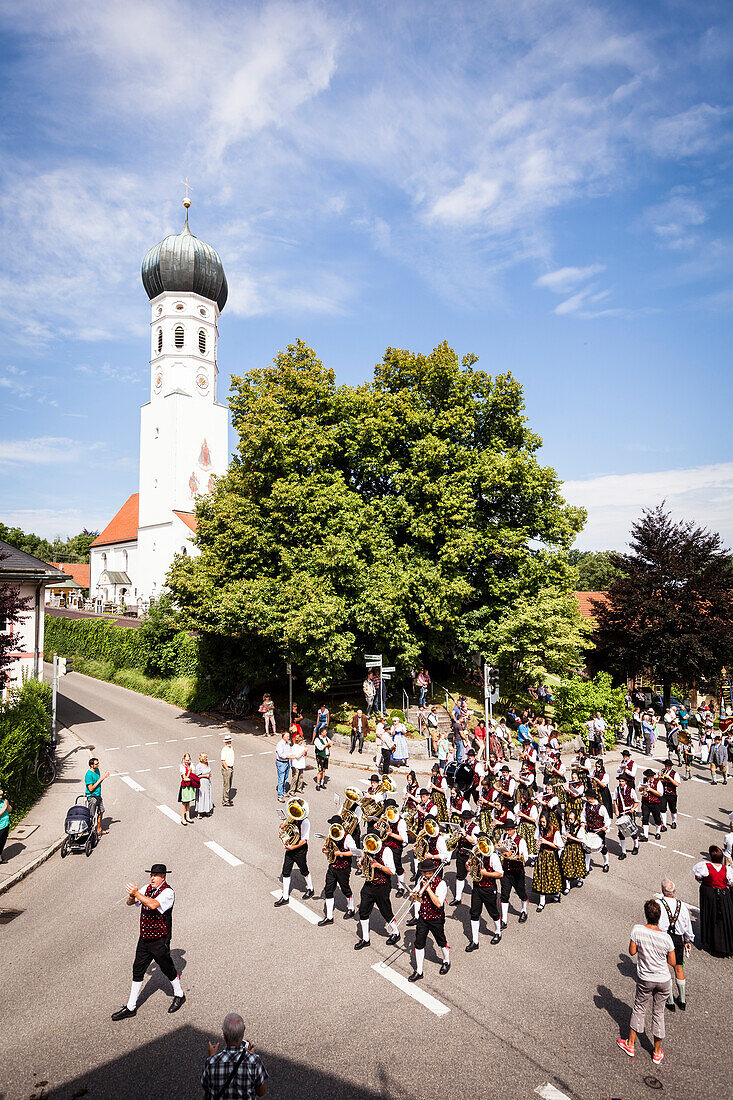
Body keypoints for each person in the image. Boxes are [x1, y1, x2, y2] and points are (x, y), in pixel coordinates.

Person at [111, 863, 185, 1020]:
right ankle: (131, 1006)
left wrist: (137, 894)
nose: (152, 878)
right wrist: (132, 895)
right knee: (137, 968)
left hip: (160, 938)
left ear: (163, 877)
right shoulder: (146, 889)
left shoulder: (168, 892)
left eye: (156, 875)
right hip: (144, 937)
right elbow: (130, 903)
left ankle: (179, 994)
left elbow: (152, 905)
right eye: (151, 875)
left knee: (167, 968)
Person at [617, 899, 675, 1065]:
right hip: (663, 979)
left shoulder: (637, 930)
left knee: (639, 1007)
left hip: (645, 977)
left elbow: (632, 951)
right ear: (659, 917)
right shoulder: (666, 938)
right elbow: (672, 961)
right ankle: (656, 1052)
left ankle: (630, 1044)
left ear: (646, 915)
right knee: (658, 1013)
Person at [201, 1013, 268, 1099]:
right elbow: (261, 1092)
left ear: (224, 1035)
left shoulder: (211, 1062)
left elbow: (206, 1087)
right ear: (244, 1029)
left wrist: (212, 1056)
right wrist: (252, 1055)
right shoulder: (254, 1061)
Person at [354, 835, 400, 950]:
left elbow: (392, 871)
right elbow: (363, 867)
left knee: (386, 911)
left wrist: (378, 865)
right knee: (363, 911)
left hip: (382, 885)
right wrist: (360, 865)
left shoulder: (386, 851)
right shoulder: (366, 850)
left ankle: (396, 932)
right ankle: (365, 939)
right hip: (369, 884)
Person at [409, 859, 450, 981]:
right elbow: (418, 897)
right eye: (424, 873)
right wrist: (414, 895)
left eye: (428, 873)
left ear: (433, 872)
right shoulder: (421, 880)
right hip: (423, 917)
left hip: (436, 918)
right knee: (419, 942)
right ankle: (419, 970)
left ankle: (446, 960)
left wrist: (428, 889)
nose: (426, 875)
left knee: (441, 941)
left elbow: (438, 903)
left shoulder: (441, 884)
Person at [656, 878, 693, 1012]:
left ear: (662, 890)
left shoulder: (657, 903)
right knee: (679, 967)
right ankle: (682, 999)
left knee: (665, 967)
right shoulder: (681, 905)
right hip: (677, 939)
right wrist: (687, 940)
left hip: (663, 937)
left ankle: (670, 999)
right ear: (674, 891)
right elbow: (687, 925)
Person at [465, 832, 504, 950]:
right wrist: (468, 866)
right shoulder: (476, 852)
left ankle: (498, 932)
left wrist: (485, 873)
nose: (479, 844)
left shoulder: (493, 856)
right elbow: (470, 870)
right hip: (477, 887)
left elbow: (500, 874)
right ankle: (475, 941)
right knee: (474, 913)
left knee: (493, 912)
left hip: (489, 888)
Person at [693, 845, 733, 956]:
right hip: (723, 895)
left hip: (709, 894)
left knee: (711, 916)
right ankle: (725, 944)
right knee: (724, 917)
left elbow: (698, 877)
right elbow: (731, 883)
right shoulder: (727, 870)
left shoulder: (705, 866)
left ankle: (712, 942)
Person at [274, 802, 314, 905]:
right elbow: (284, 825)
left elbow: (304, 840)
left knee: (303, 869)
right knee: (286, 871)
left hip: (299, 849)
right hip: (290, 847)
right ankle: (285, 897)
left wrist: (293, 847)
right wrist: (281, 829)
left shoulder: (305, 822)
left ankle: (310, 888)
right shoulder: (292, 817)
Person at [319, 815, 357, 925]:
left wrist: (341, 853)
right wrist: (325, 850)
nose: (332, 827)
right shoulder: (331, 834)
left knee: (345, 888)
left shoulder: (347, 837)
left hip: (343, 868)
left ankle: (351, 908)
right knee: (328, 890)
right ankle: (329, 916)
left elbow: (354, 852)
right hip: (332, 866)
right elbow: (329, 847)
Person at [498, 820, 529, 927]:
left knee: (521, 893)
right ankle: (504, 920)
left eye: (509, 830)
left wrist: (511, 854)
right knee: (504, 895)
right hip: (506, 870)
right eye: (506, 830)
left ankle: (524, 910)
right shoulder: (503, 837)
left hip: (517, 871)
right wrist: (500, 848)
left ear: (514, 829)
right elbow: (500, 851)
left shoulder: (520, 841)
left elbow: (525, 857)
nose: (507, 832)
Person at [85, 756, 110, 837]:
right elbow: (91, 788)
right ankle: (90, 833)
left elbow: (98, 782)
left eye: (98, 763)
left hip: (98, 796)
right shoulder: (88, 775)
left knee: (101, 811)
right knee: (91, 815)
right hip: (92, 797)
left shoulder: (97, 770)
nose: (98, 765)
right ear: (91, 765)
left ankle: (99, 830)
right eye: (96, 764)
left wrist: (103, 777)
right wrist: (101, 779)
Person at [179, 753, 197, 825]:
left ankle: (188, 817)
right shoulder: (182, 767)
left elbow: (193, 774)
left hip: (190, 786)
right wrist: (189, 772)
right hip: (185, 786)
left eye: (188, 760)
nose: (187, 761)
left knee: (188, 801)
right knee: (184, 802)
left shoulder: (191, 765)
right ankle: (183, 818)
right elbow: (185, 778)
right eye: (186, 760)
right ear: (183, 759)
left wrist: (190, 777)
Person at [274, 729, 291, 802]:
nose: (288, 737)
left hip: (287, 762)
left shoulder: (287, 743)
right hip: (281, 763)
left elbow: (289, 752)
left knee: (285, 778)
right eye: (287, 736)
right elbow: (281, 755)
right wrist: (289, 757)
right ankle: (280, 796)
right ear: (283, 736)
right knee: (281, 779)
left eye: (289, 736)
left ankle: (283, 791)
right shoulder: (280, 744)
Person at [314, 726, 332, 791]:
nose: (326, 733)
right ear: (321, 733)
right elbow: (320, 748)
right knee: (320, 771)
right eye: (324, 732)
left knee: (324, 770)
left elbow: (331, 743)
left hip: (326, 756)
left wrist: (329, 744)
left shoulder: (326, 738)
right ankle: (318, 784)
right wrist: (327, 744)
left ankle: (322, 782)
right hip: (320, 756)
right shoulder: (317, 739)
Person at [195, 753, 213, 817]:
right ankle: (199, 812)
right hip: (201, 783)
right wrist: (205, 775)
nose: (207, 759)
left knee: (207, 795)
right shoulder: (198, 766)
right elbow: (197, 776)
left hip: (207, 782)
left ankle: (206, 810)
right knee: (201, 797)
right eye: (205, 757)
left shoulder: (207, 763)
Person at [221, 734, 235, 807]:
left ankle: (227, 798)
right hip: (227, 768)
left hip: (231, 767)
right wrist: (227, 768)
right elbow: (223, 760)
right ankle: (225, 801)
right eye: (228, 741)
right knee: (226, 785)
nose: (229, 742)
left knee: (229, 784)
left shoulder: (230, 748)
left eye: (230, 741)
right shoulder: (224, 749)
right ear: (225, 742)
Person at [0, 788, 11, 863]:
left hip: (5, 824)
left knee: (3, 842)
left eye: (1, 795)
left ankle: (0, 858)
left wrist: (7, 805)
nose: (1, 797)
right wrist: (4, 807)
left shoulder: (3, 802)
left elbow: (10, 810)